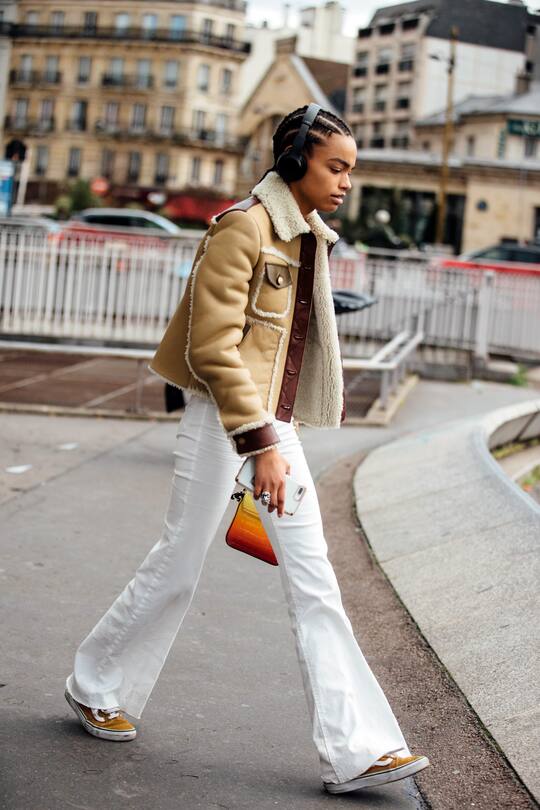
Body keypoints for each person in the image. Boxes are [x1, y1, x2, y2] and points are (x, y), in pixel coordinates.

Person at [64, 104, 430, 795]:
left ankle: (356, 749)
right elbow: (213, 348)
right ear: (295, 161)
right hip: (220, 420)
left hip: (272, 426)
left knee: (315, 579)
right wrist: (258, 442)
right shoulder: (242, 229)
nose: (347, 181)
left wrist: (272, 436)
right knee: (179, 562)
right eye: (336, 166)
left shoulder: (307, 238)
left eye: (351, 168)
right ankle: (92, 685)